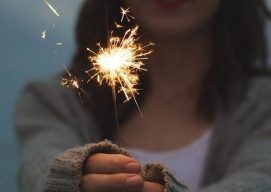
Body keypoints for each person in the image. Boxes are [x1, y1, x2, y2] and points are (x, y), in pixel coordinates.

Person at [16, 0, 271, 191]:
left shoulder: (263, 104)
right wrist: (68, 178)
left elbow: (260, 178)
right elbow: (40, 168)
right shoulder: (55, 101)